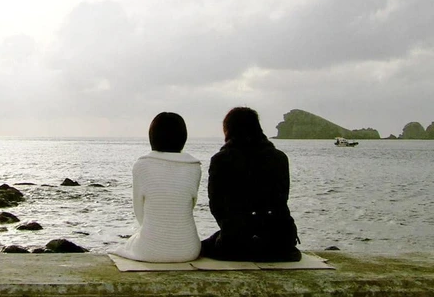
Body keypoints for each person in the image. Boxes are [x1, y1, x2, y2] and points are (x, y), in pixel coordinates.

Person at [201, 107, 301, 262]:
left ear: (228, 130)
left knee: (204, 246)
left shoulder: (221, 160)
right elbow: (282, 198)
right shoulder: (280, 158)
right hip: (281, 242)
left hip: (238, 243)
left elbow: (216, 206)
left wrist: (234, 228)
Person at [112, 112, 202, 262]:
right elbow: (190, 205)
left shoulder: (142, 165)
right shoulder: (194, 167)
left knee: (130, 243)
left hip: (150, 251)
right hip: (189, 250)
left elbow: (139, 212)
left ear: (152, 136)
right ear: (183, 137)